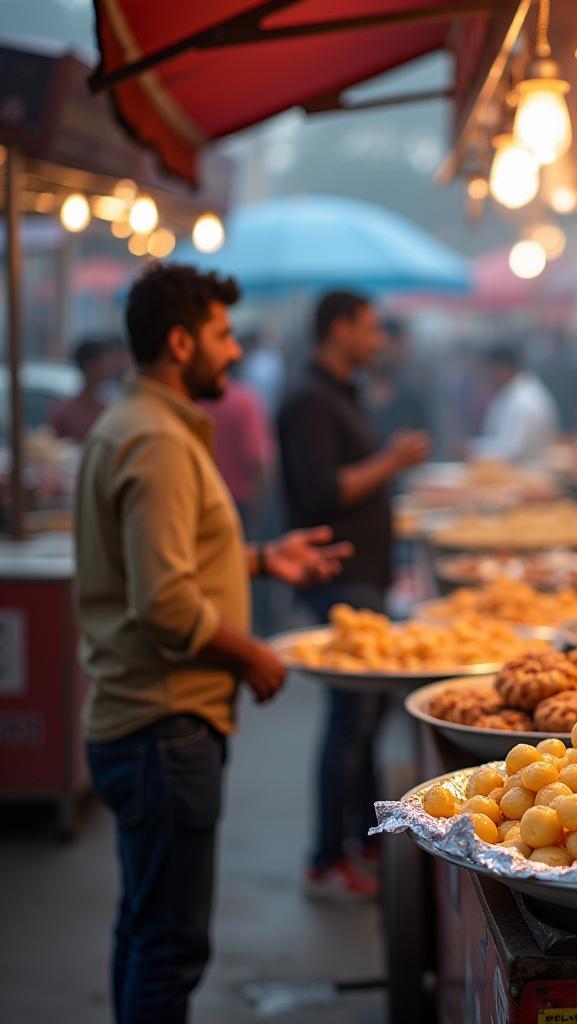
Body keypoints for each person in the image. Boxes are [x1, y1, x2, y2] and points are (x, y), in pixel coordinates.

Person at [75, 263, 351, 1024]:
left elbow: (169, 565)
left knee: (144, 927)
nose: (233, 352)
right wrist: (253, 654)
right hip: (163, 729)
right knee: (169, 946)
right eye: (222, 336)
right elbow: (164, 605)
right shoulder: (156, 441)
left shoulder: (141, 428)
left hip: (147, 726)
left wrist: (263, 558)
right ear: (179, 340)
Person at [277, 290, 430, 898]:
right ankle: (326, 858)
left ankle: (365, 844)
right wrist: (391, 461)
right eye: (367, 329)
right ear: (338, 330)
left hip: (363, 577)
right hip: (338, 582)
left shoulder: (339, 392)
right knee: (349, 719)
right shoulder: (310, 400)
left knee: (362, 722)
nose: (377, 340)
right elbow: (320, 493)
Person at [199, 371, 275, 534]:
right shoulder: (244, 402)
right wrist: (259, 510)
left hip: (206, 502)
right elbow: (257, 461)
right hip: (240, 502)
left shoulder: (196, 404)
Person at [470, 345, 558, 465]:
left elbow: (511, 453)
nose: (487, 378)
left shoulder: (524, 401)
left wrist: (472, 451)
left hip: (525, 475)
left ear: (502, 370)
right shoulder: (514, 393)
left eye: (489, 372)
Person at [364, 316, 431, 443]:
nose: (379, 355)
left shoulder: (412, 396)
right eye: (377, 349)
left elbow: (427, 441)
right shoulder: (351, 393)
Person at [49, 334, 121, 441]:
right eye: (101, 362)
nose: (106, 366)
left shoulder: (108, 406)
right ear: (89, 366)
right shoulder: (64, 412)